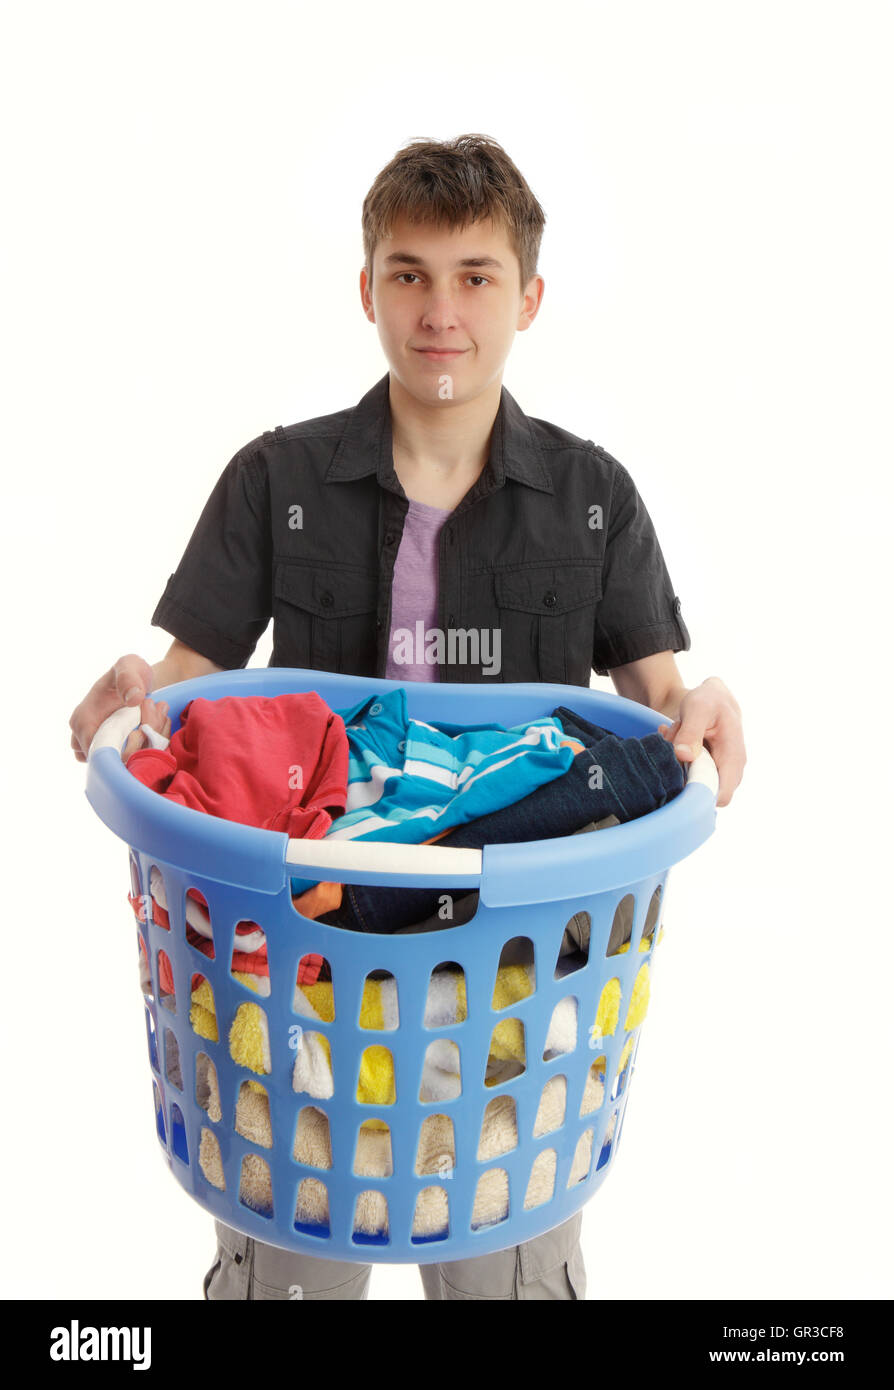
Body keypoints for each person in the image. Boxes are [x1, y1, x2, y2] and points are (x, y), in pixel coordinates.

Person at [69, 133, 746, 1300]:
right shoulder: (274, 482)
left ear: (529, 297)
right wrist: (135, 693)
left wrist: (705, 703)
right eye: (410, 273)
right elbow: (186, 707)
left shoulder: (593, 500)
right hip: (298, 964)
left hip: (514, 978)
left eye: (476, 275)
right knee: (290, 1269)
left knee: (503, 1267)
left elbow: (661, 716)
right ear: (367, 286)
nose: (442, 310)